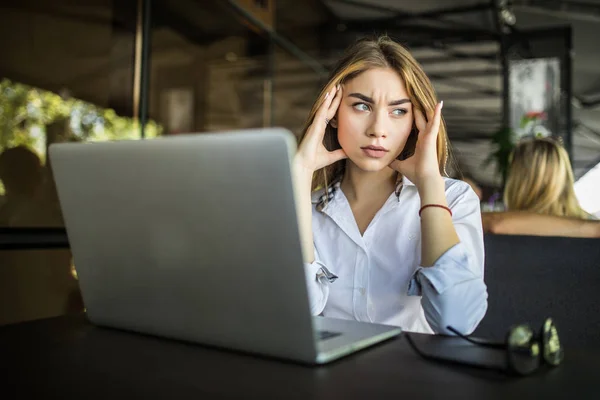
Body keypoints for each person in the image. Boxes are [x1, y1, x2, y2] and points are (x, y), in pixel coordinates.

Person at [292, 36, 487, 335]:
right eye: (361, 106)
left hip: (414, 378)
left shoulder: (454, 199)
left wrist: (429, 183)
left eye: (398, 111)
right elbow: (294, 314)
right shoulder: (306, 208)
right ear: (331, 114)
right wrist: (300, 173)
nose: (378, 131)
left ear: (416, 122)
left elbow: (456, 321)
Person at [482, 137, 600, 238]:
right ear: (564, 176)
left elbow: (494, 224)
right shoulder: (590, 227)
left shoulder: (499, 228)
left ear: (517, 180)